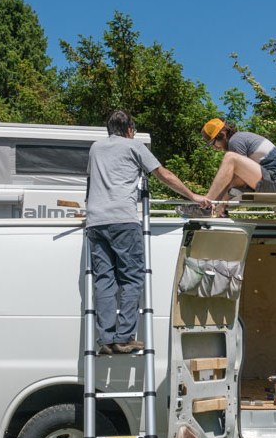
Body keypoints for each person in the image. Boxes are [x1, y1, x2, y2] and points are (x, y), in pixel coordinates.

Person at [86, 110, 209, 355]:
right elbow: (164, 175)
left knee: (104, 280)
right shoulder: (134, 146)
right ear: (129, 129)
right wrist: (193, 196)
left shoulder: (95, 148)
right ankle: (124, 338)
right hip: (122, 219)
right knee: (132, 278)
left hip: (95, 221)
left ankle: (106, 340)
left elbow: (91, 182)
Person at [201, 119, 276, 208]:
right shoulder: (241, 138)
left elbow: (240, 179)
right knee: (229, 188)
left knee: (230, 157)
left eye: (213, 143)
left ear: (222, 134)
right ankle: (213, 204)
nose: (214, 147)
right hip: (275, 183)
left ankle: (207, 203)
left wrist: (222, 199)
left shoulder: (235, 141)